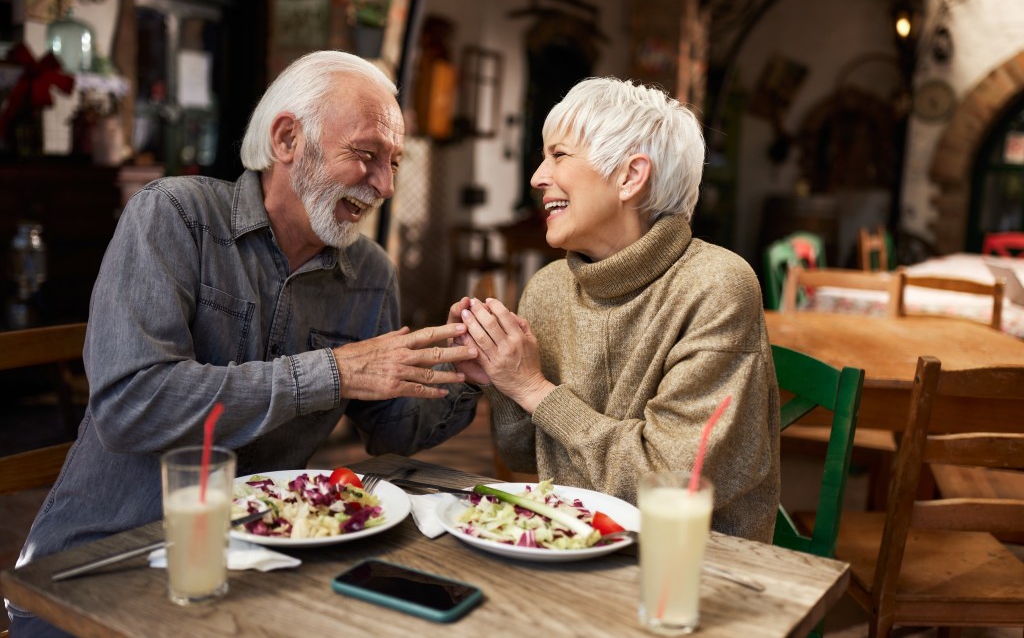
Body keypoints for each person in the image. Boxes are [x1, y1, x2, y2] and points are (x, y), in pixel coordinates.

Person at [9, 51, 482, 637]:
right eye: (365, 155)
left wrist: (466, 369)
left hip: (264, 565)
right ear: (287, 139)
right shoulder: (173, 216)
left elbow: (391, 430)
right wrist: (331, 373)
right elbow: (131, 405)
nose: (384, 185)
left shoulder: (370, 273)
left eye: (392, 163)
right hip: (105, 562)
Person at [449, 77, 780, 542]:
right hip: (566, 546)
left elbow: (668, 483)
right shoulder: (547, 289)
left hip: (689, 566)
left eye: (558, 155)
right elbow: (529, 458)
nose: (537, 177)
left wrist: (533, 388)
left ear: (629, 176)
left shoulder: (716, 287)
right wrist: (502, 381)